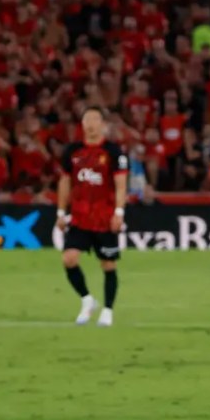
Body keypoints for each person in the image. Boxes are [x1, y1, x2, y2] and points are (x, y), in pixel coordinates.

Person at [56, 106, 128, 327]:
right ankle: (87, 301)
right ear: (82, 124)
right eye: (87, 119)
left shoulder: (114, 153)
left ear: (103, 125)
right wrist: (60, 212)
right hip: (79, 218)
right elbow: (65, 182)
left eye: (95, 119)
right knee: (68, 259)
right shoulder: (72, 151)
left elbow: (120, 185)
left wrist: (119, 212)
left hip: (104, 219)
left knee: (107, 264)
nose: (91, 123)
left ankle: (107, 310)